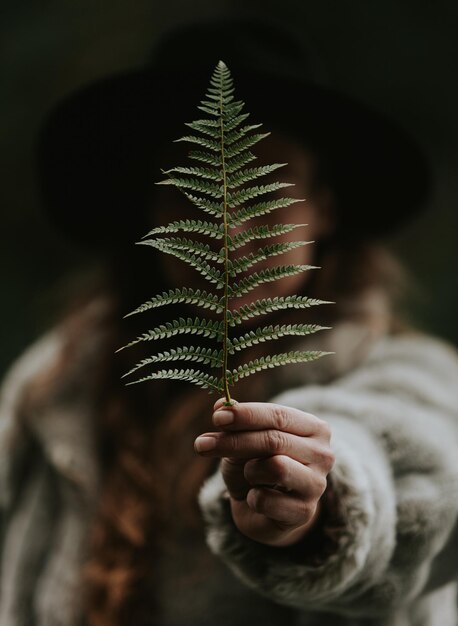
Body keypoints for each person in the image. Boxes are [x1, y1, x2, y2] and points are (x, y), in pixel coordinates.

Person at [1, 16, 458, 626]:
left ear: (324, 207)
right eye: (192, 196)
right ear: (151, 212)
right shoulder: (54, 385)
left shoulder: (407, 373)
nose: (226, 233)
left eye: (265, 195)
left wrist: (325, 504)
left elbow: (414, 474)